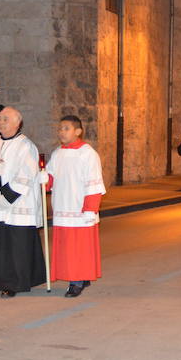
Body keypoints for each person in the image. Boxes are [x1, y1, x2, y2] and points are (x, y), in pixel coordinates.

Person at [0, 106, 46, 297]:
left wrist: (7, 195)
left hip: (16, 203)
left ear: (17, 123)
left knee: (14, 246)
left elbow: (28, 174)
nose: (1, 123)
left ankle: (13, 282)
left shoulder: (26, 146)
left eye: (6, 119)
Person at [45, 115, 106, 298]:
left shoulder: (88, 154)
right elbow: (50, 177)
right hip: (63, 207)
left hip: (80, 209)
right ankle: (83, 276)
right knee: (67, 247)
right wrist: (44, 179)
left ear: (78, 131)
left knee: (78, 248)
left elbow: (94, 183)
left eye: (66, 128)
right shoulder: (58, 153)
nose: (61, 132)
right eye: (60, 128)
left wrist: (90, 208)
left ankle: (76, 282)